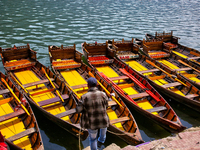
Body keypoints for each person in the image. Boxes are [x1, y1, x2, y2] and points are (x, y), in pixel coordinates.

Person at [76, 77, 109, 150]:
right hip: (103, 119)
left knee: (93, 139)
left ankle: (96, 146)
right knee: (103, 129)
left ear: (88, 86)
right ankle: (101, 141)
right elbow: (107, 105)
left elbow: (78, 110)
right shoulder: (103, 94)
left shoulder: (84, 97)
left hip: (91, 122)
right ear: (97, 85)